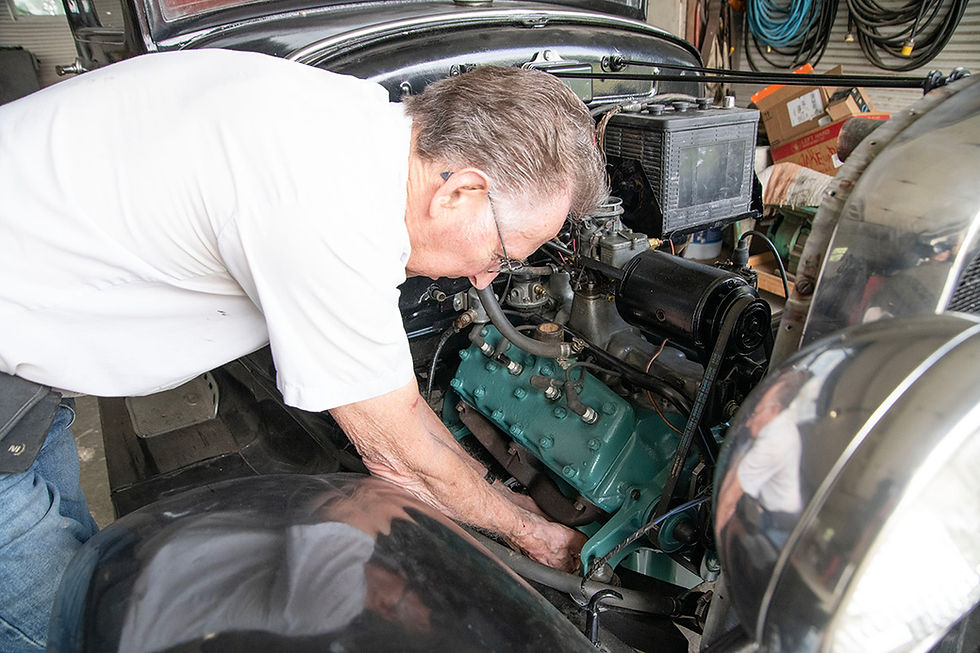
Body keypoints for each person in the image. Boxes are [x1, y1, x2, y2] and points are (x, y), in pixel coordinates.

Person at [0, 48, 608, 651]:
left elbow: (404, 423)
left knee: (83, 564)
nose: (484, 279)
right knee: (74, 625)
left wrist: (497, 495)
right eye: (502, 254)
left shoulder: (349, 121)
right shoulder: (326, 208)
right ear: (459, 194)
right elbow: (403, 458)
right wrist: (539, 536)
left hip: (26, 390)